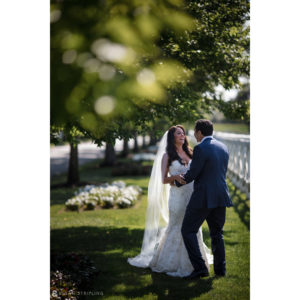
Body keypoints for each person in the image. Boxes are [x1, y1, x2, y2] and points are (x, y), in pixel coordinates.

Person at [128, 125, 213, 277]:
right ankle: (170, 261)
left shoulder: (192, 152)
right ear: (172, 137)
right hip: (178, 197)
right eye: (178, 133)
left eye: (183, 133)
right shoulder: (167, 156)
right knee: (177, 226)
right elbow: (163, 179)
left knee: (193, 227)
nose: (182, 135)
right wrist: (174, 177)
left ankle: (197, 262)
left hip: (193, 195)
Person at [174, 119, 233, 279]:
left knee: (188, 230)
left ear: (200, 132)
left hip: (203, 197)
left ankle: (200, 268)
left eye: (194, 131)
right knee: (217, 233)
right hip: (221, 195)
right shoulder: (223, 147)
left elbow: (192, 173)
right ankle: (220, 271)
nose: (193, 134)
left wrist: (176, 182)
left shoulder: (200, 148)